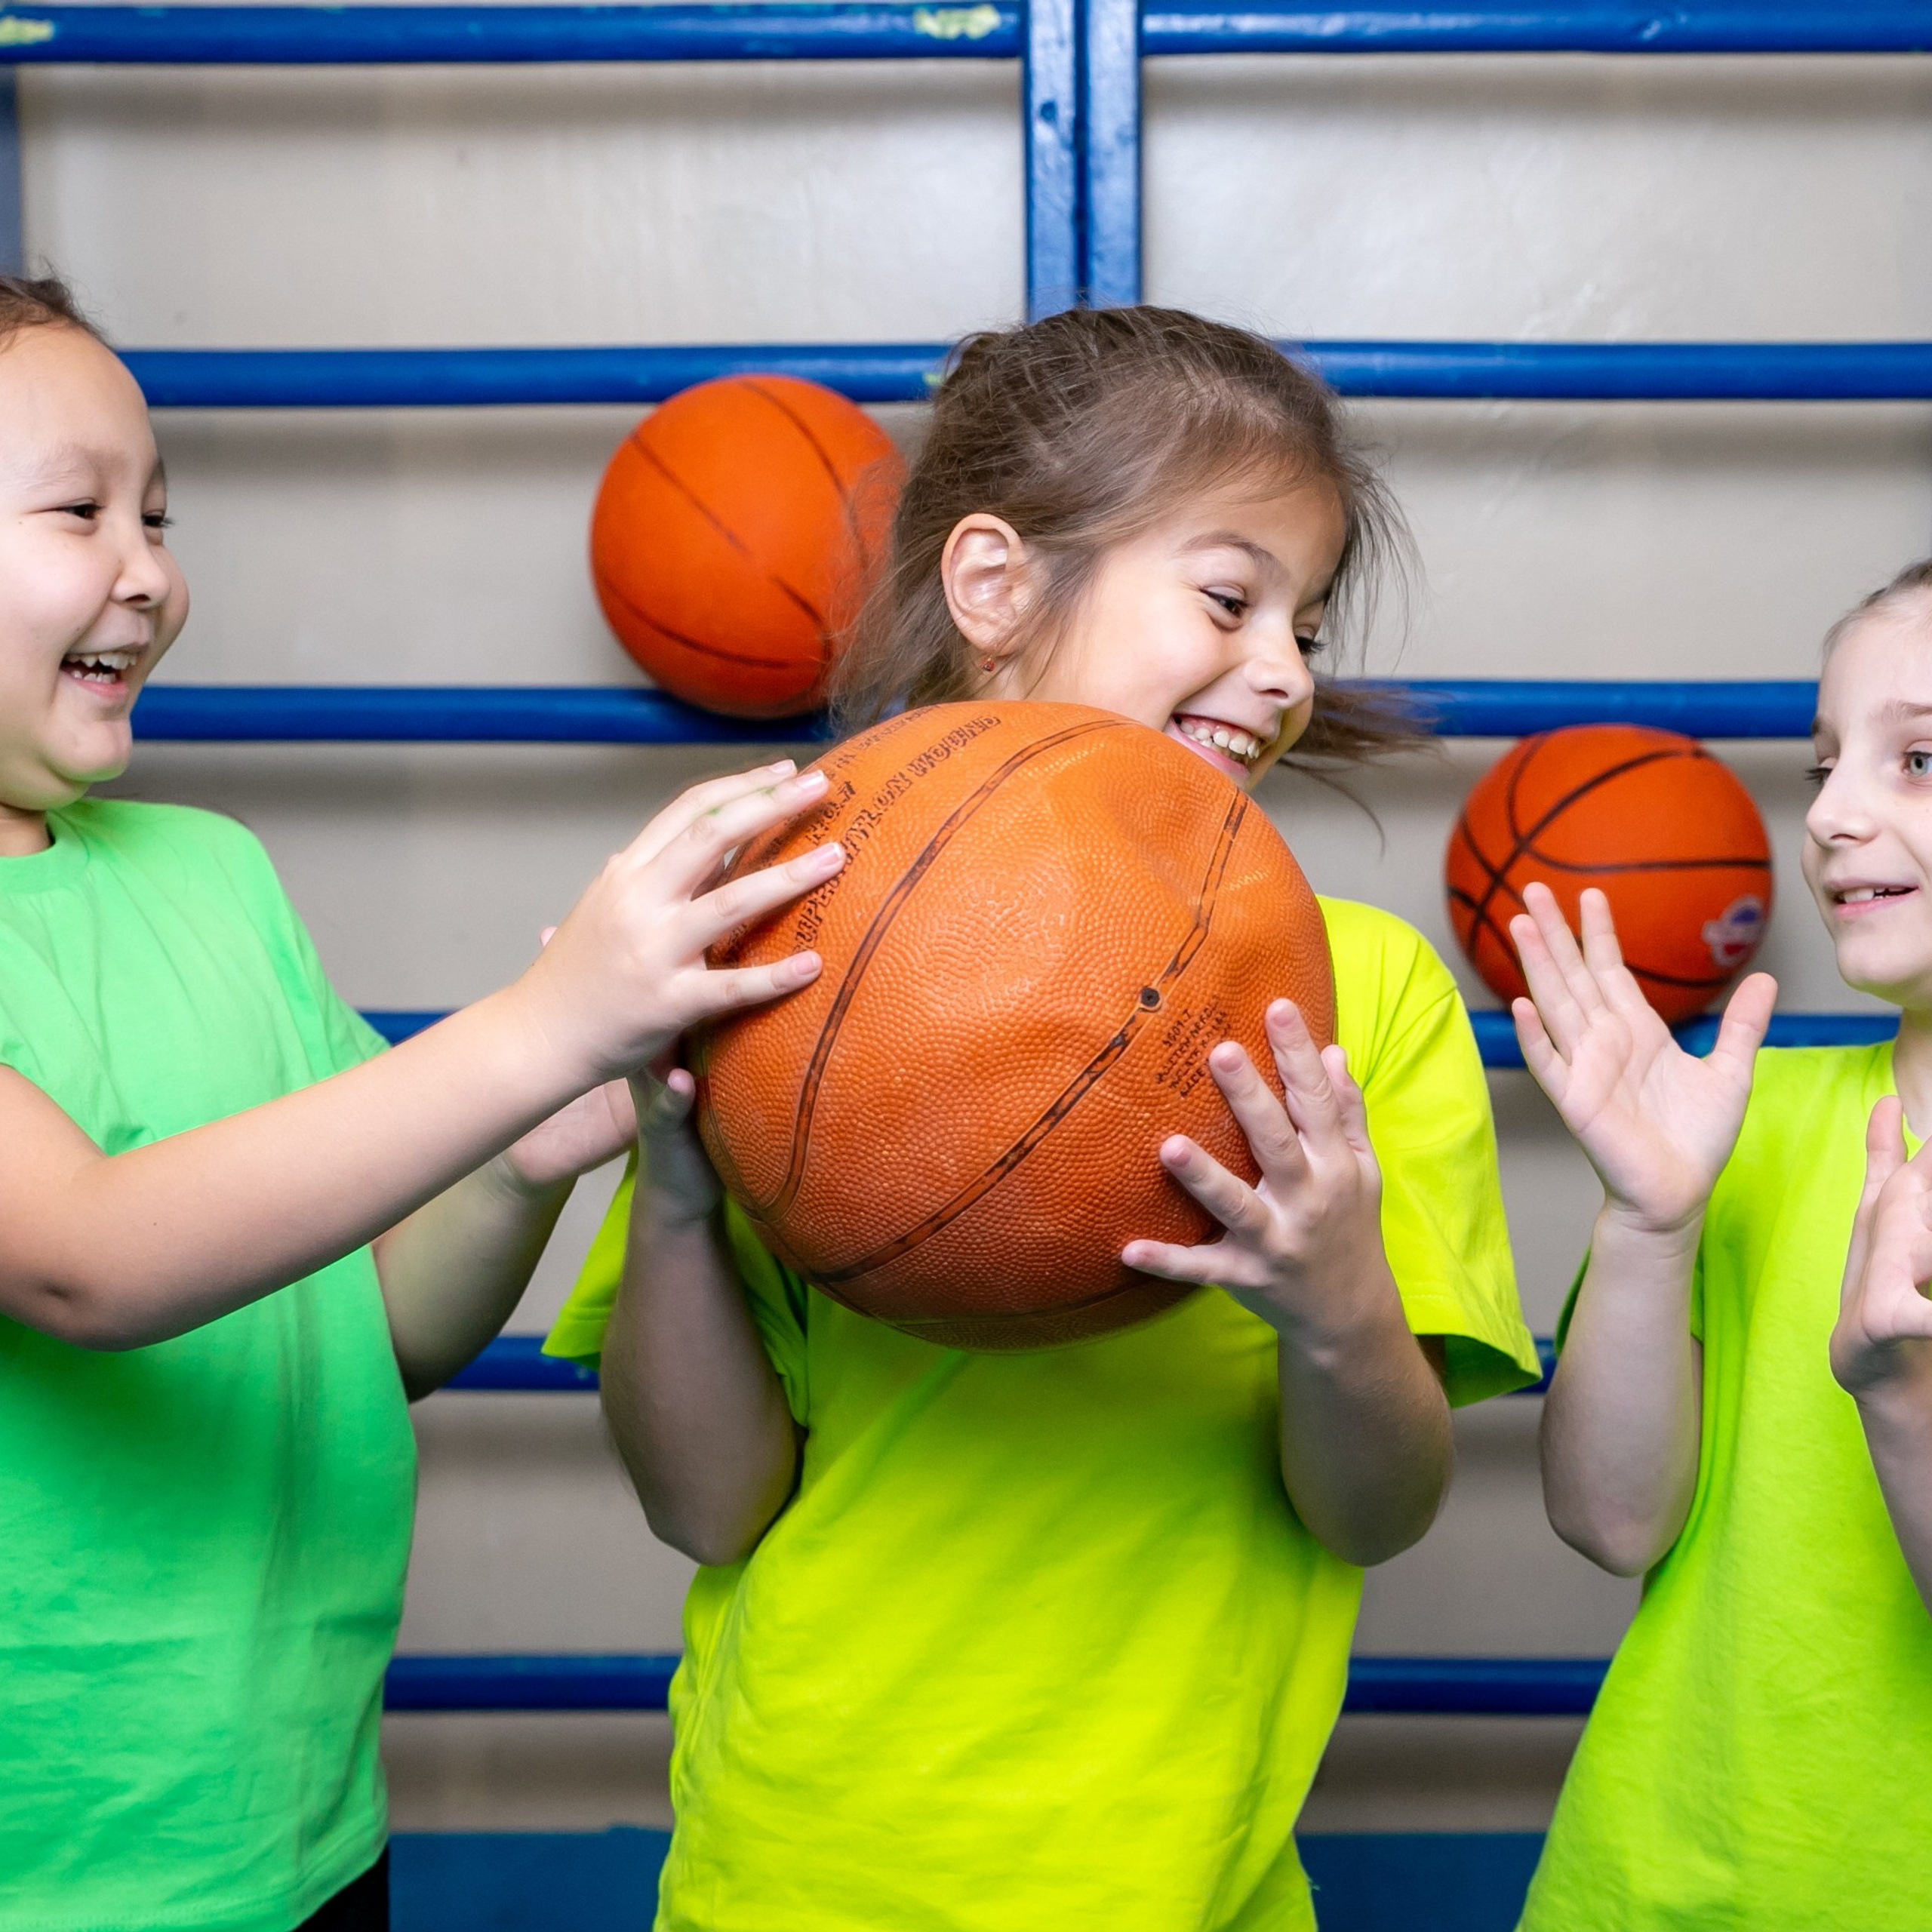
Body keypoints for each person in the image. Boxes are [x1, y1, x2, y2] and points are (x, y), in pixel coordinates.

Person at [546, 304, 1540, 1930]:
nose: (1286, 669)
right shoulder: (785, 942)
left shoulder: (1358, 995)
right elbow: (704, 1505)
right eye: (1228, 598)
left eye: (1305, 622)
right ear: (995, 586)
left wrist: (1337, 1306)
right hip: (791, 1870)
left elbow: (1374, 1513)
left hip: (1185, 1889)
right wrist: (670, 1182)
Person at [0, 274, 841, 1932]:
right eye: (78, 510)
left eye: (158, 514)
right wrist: (535, 1028)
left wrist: (525, 1151)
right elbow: (90, 1259)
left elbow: (368, 1327)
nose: (149, 569)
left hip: (296, 1824)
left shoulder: (212, 872)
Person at [1511, 558, 1932, 1929]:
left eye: (1919, 760)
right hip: (1657, 1885)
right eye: (1824, 762)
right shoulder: (1746, 1122)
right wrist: (1651, 1225)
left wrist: (1904, 1408)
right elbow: (1611, 1520)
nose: (1832, 814)